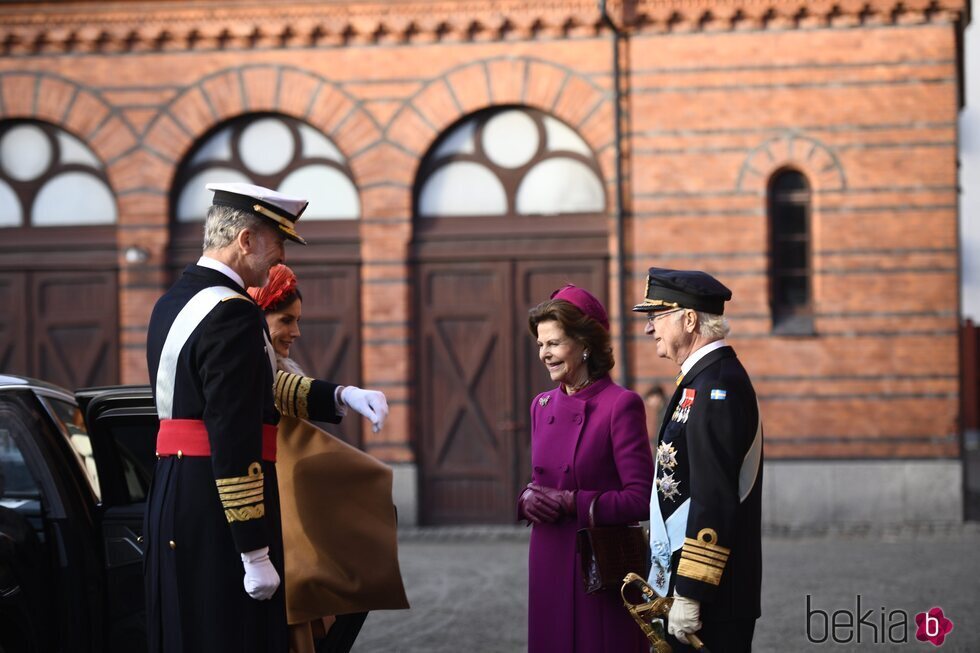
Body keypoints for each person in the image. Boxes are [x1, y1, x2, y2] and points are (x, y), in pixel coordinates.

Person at [144, 182, 386, 653]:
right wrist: (253, 549)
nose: (279, 258)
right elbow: (233, 432)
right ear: (246, 240)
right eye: (277, 242)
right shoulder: (233, 312)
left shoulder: (174, 299)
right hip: (220, 509)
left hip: (177, 492)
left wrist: (339, 396)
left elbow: (249, 388)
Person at [247, 265, 409, 653]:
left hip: (297, 538)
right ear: (258, 315)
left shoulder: (275, 374)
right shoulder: (250, 375)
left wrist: (345, 394)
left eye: (298, 321)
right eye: (286, 320)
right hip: (275, 538)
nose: (296, 332)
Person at [633, 267, 763, 653]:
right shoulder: (701, 381)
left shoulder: (716, 386)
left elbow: (714, 496)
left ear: (689, 319)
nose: (648, 329)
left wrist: (691, 591)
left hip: (712, 598)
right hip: (697, 585)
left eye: (656, 317)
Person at [519, 284, 654, 653]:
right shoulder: (541, 405)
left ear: (585, 345)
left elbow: (641, 499)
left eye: (555, 343)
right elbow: (540, 479)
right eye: (540, 345)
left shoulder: (620, 405)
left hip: (598, 566)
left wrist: (572, 502)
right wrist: (525, 499)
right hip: (548, 556)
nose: (545, 354)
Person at [644, 384, 668, 450]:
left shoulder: (666, 413)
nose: (648, 402)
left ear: (657, 397)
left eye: (650, 398)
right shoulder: (661, 412)